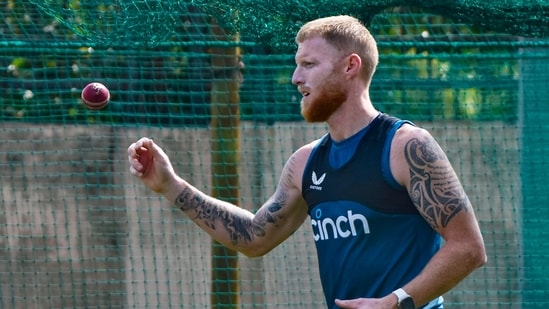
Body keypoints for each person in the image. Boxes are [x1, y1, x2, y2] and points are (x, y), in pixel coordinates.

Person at [127, 15, 487, 309]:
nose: (295, 78)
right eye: (297, 66)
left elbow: (468, 248)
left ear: (350, 66)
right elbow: (253, 237)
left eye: (308, 64)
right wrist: (171, 186)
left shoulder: (405, 146)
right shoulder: (306, 163)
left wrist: (395, 303)